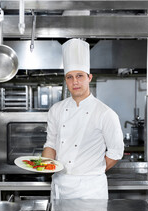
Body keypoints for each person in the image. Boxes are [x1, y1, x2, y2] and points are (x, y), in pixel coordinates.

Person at [42, 38, 124, 200]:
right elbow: (51, 144)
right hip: (60, 187)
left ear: (89, 77)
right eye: (70, 77)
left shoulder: (105, 113)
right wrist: (43, 166)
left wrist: (91, 172)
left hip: (90, 190)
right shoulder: (56, 110)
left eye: (79, 76)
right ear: (65, 80)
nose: (75, 82)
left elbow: (115, 152)